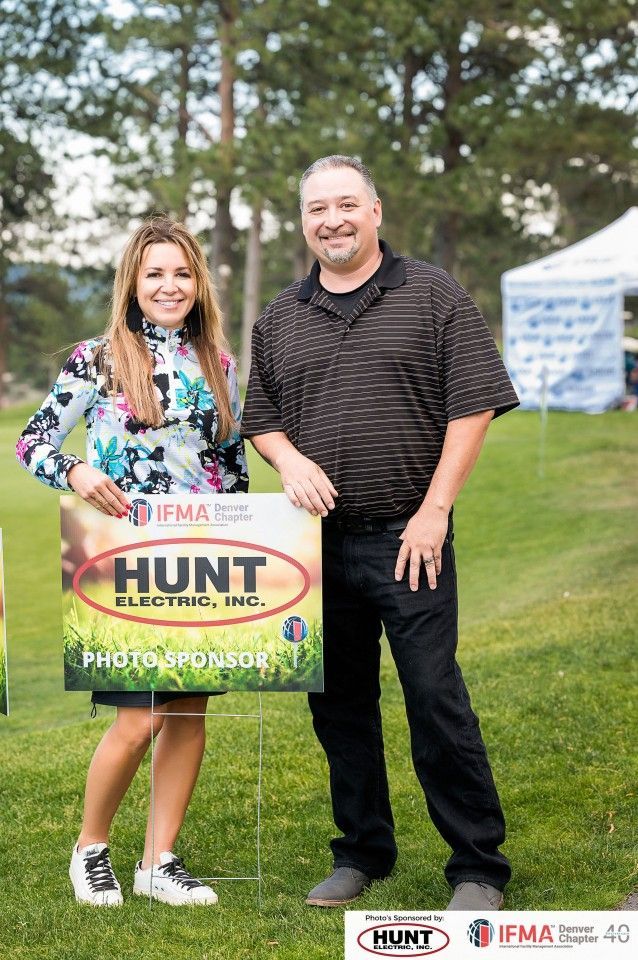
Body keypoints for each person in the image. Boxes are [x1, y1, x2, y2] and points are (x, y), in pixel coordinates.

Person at [242, 156, 519, 912]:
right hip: (315, 546)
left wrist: (435, 511)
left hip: (409, 537)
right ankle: (363, 850)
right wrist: (289, 457)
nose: (331, 220)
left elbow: (474, 404)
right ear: (303, 222)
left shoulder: (431, 294)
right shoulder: (279, 316)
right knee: (338, 704)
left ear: (375, 210)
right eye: (316, 209)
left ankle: (476, 867)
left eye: (345, 205)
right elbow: (260, 416)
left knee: (434, 695)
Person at [17, 217, 248, 907]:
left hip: (205, 557)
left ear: (197, 282)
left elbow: (231, 464)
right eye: (155, 274)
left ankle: (159, 860)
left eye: (181, 273)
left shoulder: (217, 362)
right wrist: (77, 471)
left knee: (188, 711)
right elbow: (31, 443)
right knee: (141, 715)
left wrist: (243, 538)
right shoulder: (96, 359)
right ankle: (90, 850)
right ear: (133, 284)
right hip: (126, 558)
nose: (169, 285)